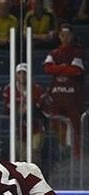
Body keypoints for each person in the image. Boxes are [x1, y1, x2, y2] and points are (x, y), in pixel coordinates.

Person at [43, 23, 84, 157]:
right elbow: (48, 68)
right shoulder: (54, 53)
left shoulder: (77, 52)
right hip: (57, 97)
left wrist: (59, 68)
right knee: (56, 125)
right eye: (63, 35)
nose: (65, 38)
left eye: (68, 35)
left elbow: (77, 70)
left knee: (76, 127)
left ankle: (76, 154)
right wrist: (66, 68)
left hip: (73, 97)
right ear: (59, 36)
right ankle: (61, 153)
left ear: (72, 36)